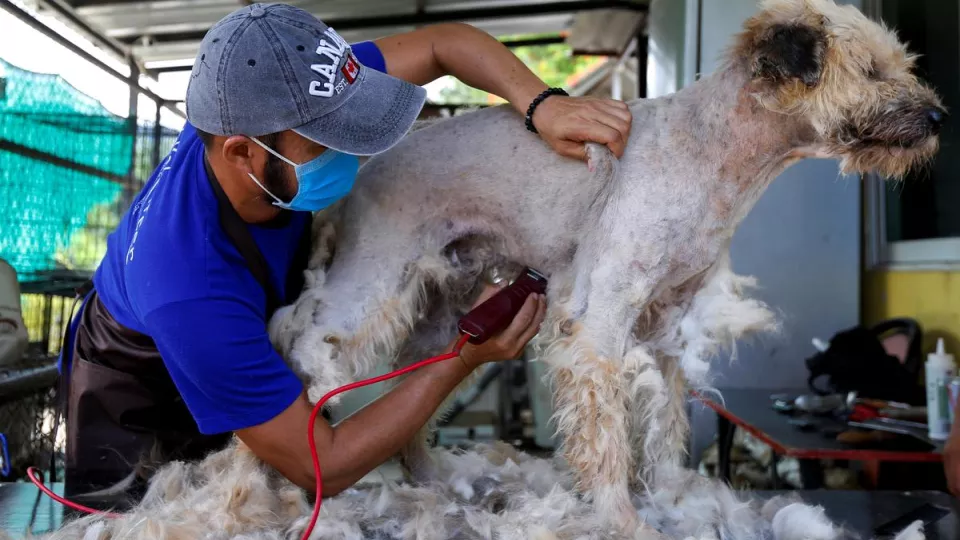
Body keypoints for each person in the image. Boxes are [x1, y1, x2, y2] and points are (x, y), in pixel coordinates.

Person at [59, 2, 633, 508]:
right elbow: (319, 464)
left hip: (221, 334)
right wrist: (461, 357)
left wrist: (542, 105)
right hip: (135, 398)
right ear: (241, 153)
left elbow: (443, 43)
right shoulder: (188, 282)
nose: (350, 151)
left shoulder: (261, 103)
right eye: (325, 139)